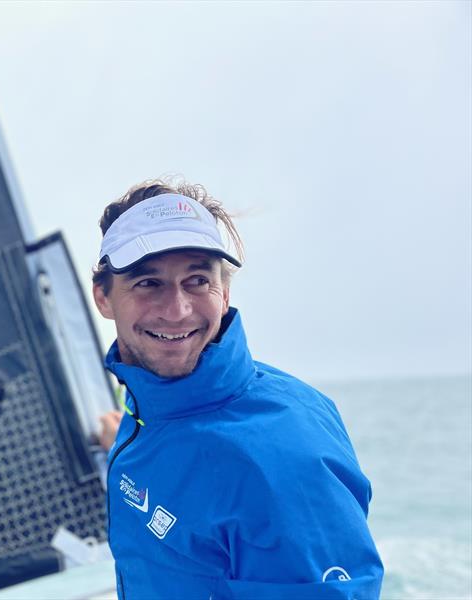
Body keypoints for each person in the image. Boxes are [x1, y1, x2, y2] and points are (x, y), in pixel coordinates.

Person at [92, 179, 383, 599]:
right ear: (103, 297)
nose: (177, 311)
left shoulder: (280, 455)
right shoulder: (150, 414)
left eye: (196, 280)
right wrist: (127, 437)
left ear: (224, 292)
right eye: (148, 283)